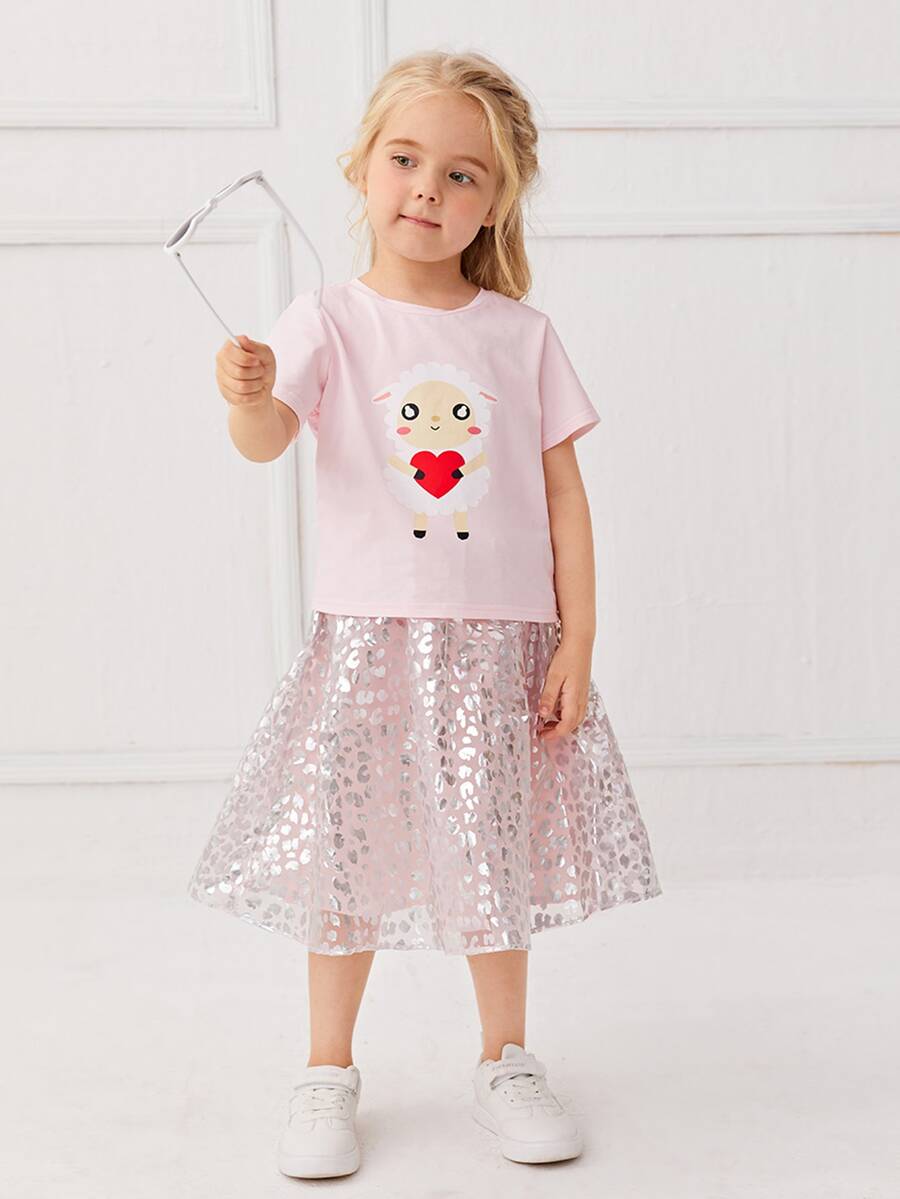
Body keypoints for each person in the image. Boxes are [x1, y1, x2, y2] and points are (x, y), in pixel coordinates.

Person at [187, 48, 662, 1180]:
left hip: (502, 649)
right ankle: (326, 1069)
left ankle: (505, 1057)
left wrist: (578, 639)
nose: (427, 191)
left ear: (495, 201)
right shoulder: (327, 319)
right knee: (347, 857)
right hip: (370, 642)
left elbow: (562, 496)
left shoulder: (519, 334)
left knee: (493, 853)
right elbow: (266, 441)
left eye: (461, 175)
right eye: (405, 160)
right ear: (362, 165)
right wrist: (247, 395)